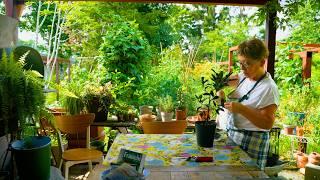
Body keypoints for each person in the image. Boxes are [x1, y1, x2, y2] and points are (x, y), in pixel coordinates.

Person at [217, 38, 279, 169]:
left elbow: (267, 123)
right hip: (233, 136)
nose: (242, 68)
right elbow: (221, 82)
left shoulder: (268, 88)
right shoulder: (243, 77)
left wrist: (241, 109)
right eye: (240, 63)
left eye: (248, 64)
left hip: (253, 141)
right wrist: (220, 94)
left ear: (262, 62)